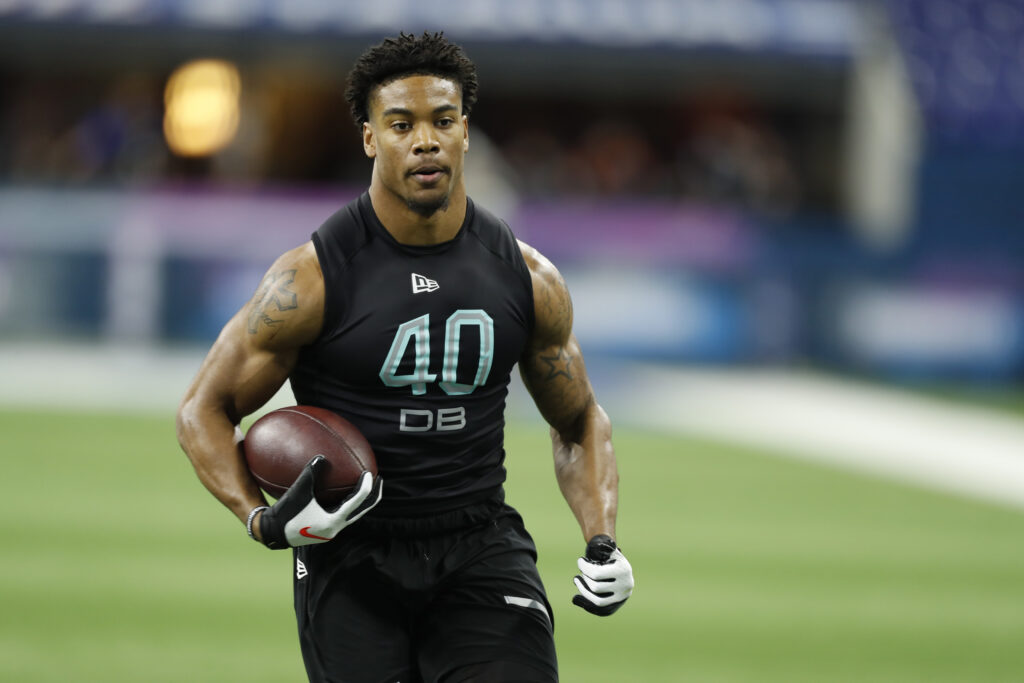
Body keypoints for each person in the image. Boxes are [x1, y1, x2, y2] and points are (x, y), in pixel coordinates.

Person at [176, 31, 633, 683]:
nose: (425, 139)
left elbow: (580, 420)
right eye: (401, 123)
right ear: (370, 137)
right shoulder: (310, 278)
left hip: (481, 547)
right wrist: (257, 517)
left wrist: (601, 537)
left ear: (466, 132)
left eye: (442, 120)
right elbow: (203, 409)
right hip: (352, 559)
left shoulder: (527, 276)